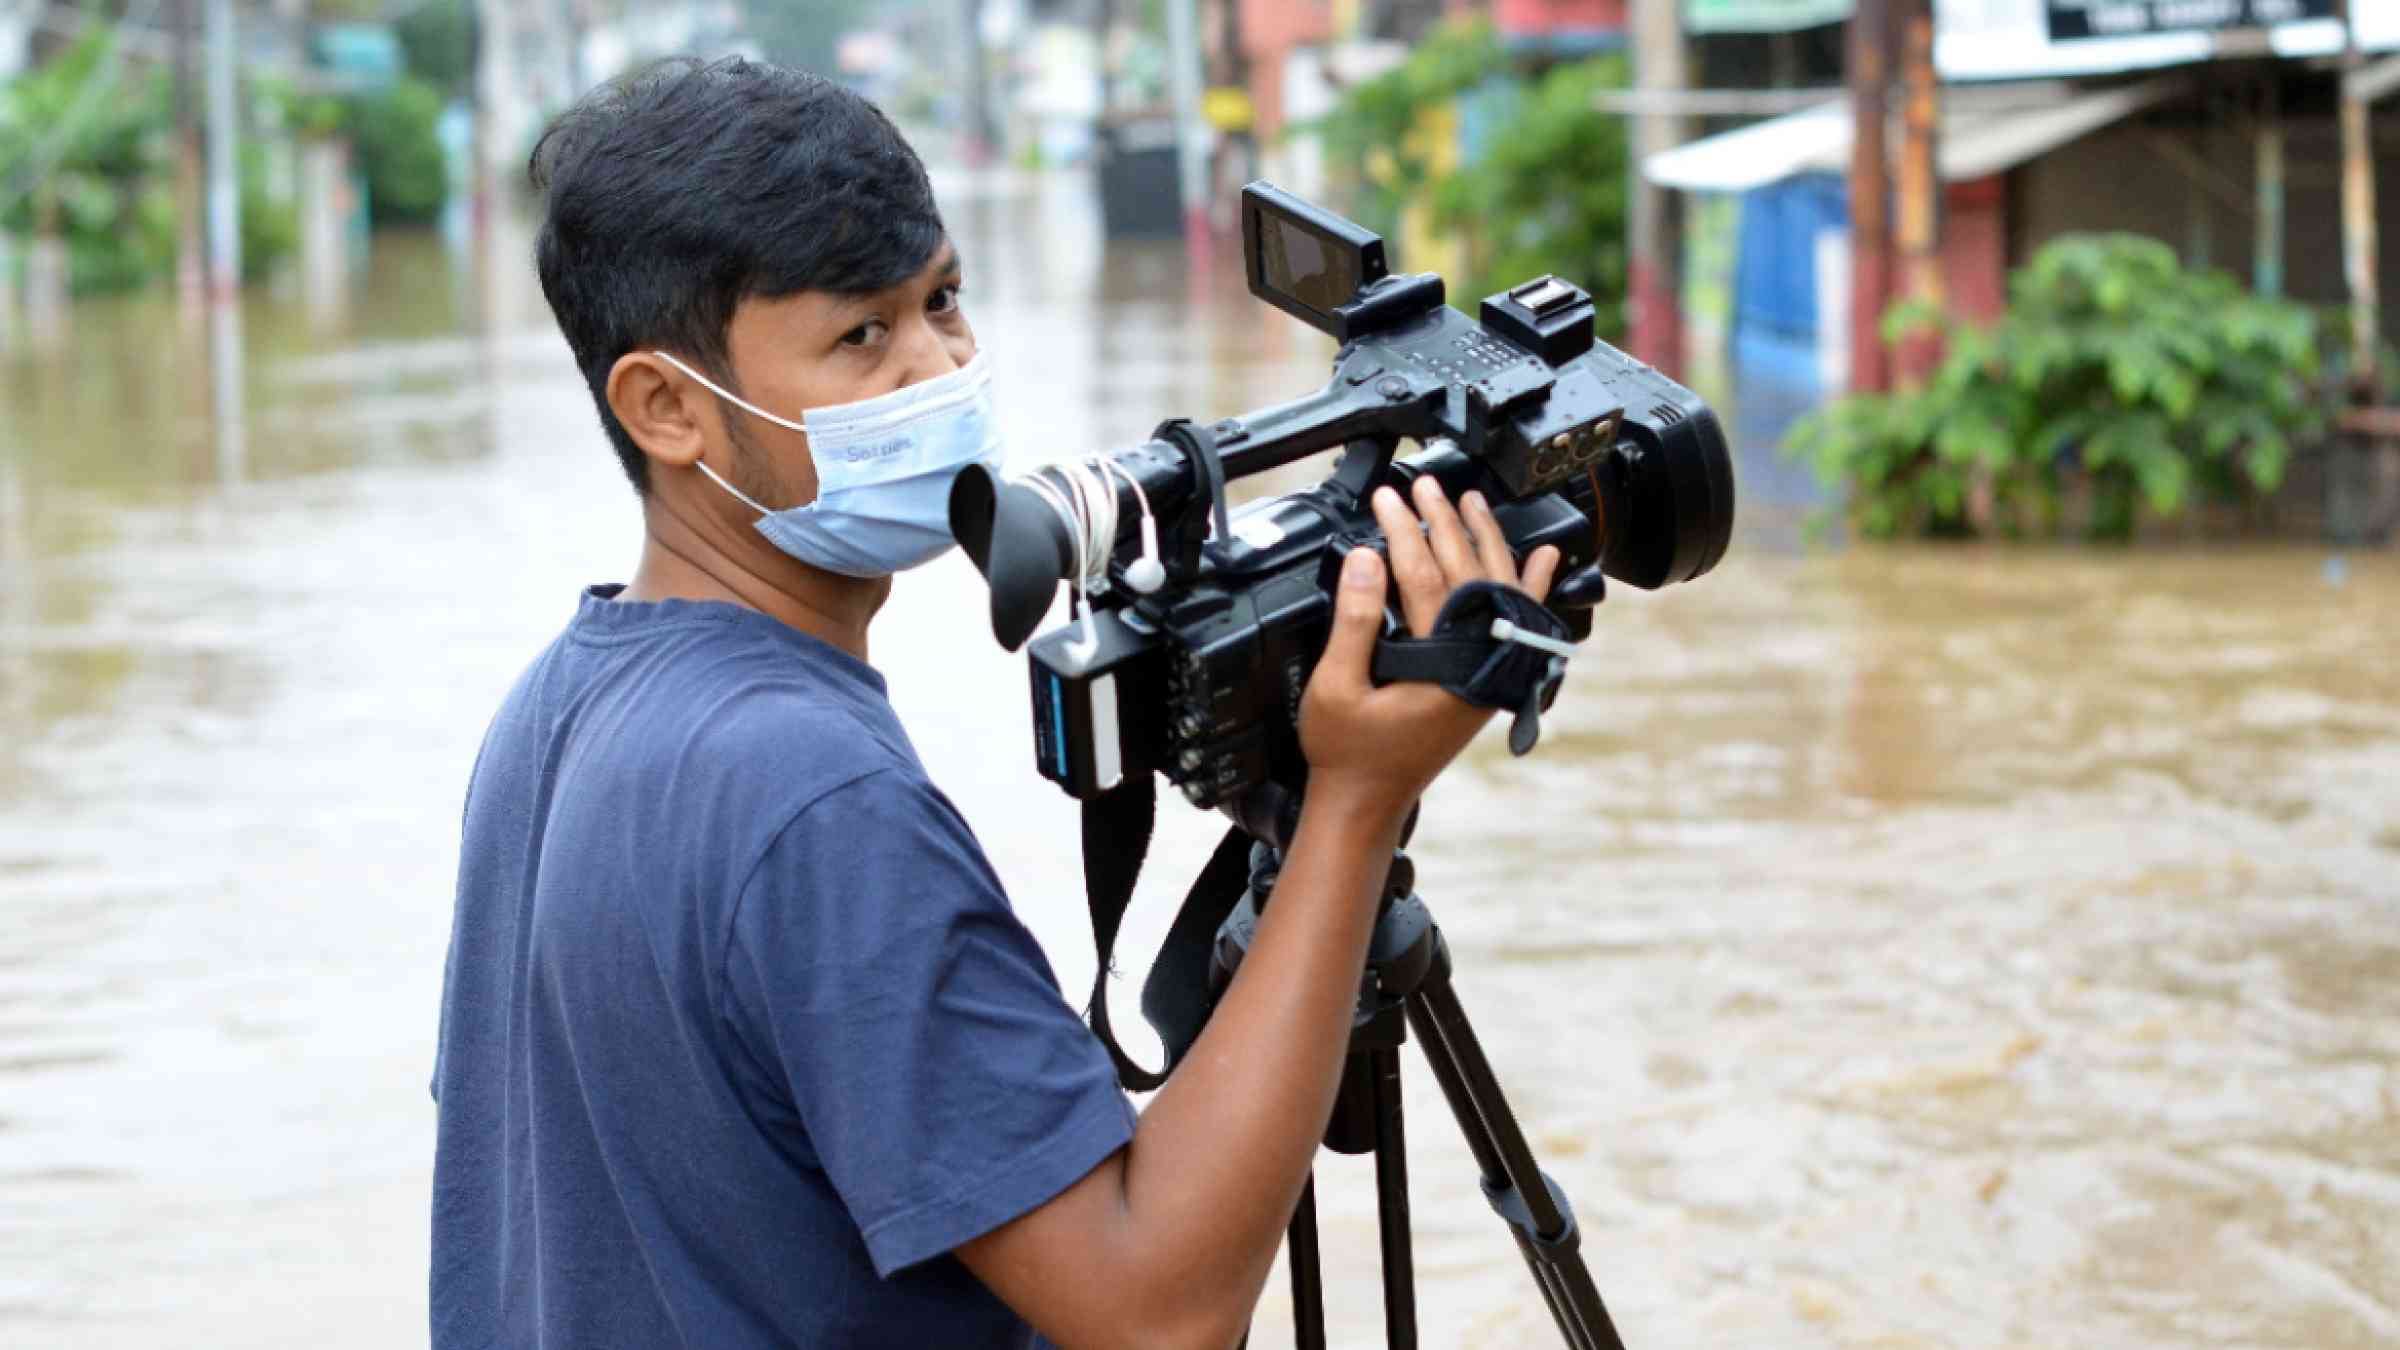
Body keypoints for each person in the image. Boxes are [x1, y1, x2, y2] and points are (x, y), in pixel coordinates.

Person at [429, 56, 1559, 1350]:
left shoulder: (558, 703)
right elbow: (1159, 1309)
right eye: (863, 336)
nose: (940, 371)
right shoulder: (811, 796)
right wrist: (1355, 803)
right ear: (668, 407)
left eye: (945, 302)